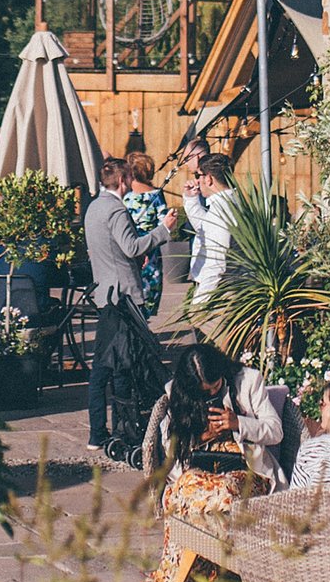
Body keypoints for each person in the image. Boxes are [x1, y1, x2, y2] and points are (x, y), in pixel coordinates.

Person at [142, 341, 304, 582]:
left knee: (224, 492)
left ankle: (193, 576)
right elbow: (169, 445)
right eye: (204, 392)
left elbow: (276, 431)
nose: (211, 394)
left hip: (247, 470)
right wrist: (202, 435)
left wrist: (238, 423)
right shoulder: (179, 392)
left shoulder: (248, 381)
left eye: (215, 387)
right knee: (179, 493)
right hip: (198, 471)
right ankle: (204, 574)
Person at [84, 154, 178, 455]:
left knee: (104, 366)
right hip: (123, 298)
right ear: (123, 180)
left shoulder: (93, 207)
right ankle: (125, 429)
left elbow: (113, 250)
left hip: (105, 295)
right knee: (124, 365)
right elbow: (131, 246)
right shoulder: (116, 210)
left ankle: (100, 431)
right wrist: (163, 229)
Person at [180, 151, 237, 311]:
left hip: (217, 294)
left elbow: (217, 263)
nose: (197, 181)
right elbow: (205, 228)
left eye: (199, 176)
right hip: (219, 288)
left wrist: (199, 303)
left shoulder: (221, 210)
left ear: (209, 178)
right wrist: (191, 200)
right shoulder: (228, 203)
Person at [122, 152, 168, 312]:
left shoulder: (125, 197)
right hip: (151, 247)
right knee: (147, 293)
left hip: (129, 248)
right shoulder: (156, 195)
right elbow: (164, 224)